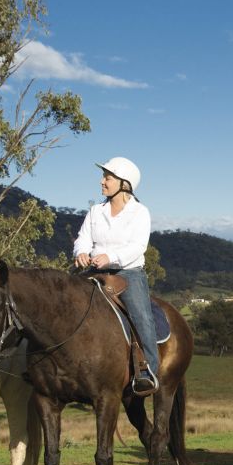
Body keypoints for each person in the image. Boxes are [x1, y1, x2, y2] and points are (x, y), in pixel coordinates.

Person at [73, 156, 160, 396]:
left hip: (127, 273)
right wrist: (80, 251)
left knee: (141, 316)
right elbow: (83, 237)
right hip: (95, 271)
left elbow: (137, 247)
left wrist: (109, 256)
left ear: (124, 183)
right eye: (103, 177)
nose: (102, 182)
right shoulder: (95, 211)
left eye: (107, 178)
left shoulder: (140, 212)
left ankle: (147, 371)